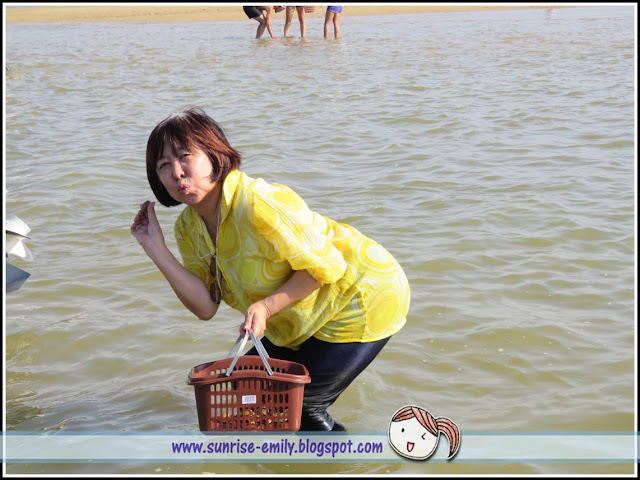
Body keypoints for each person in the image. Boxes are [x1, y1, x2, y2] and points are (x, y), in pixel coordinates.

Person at [131, 109, 410, 431]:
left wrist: (266, 306)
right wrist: (154, 247)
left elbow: (327, 266)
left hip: (361, 296)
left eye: (185, 157)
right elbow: (205, 306)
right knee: (243, 396)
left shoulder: (258, 201)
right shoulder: (188, 226)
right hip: (307, 313)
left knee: (303, 407)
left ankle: (347, 467)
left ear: (215, 155)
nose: (177, 173)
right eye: (164, 165)